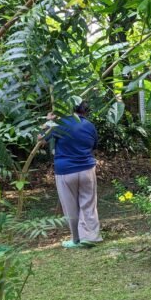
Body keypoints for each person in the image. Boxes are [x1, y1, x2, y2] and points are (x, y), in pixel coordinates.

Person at [41, 102, 102, 248]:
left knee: (70, 207)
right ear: (86, 111)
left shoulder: (60, 124)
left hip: (65, 171)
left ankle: (76, 239)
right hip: (87, 169)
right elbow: (94, 145)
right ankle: (90, 236)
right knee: (88, 203)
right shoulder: (89, 125)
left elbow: (41, 138)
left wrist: (48, 121)